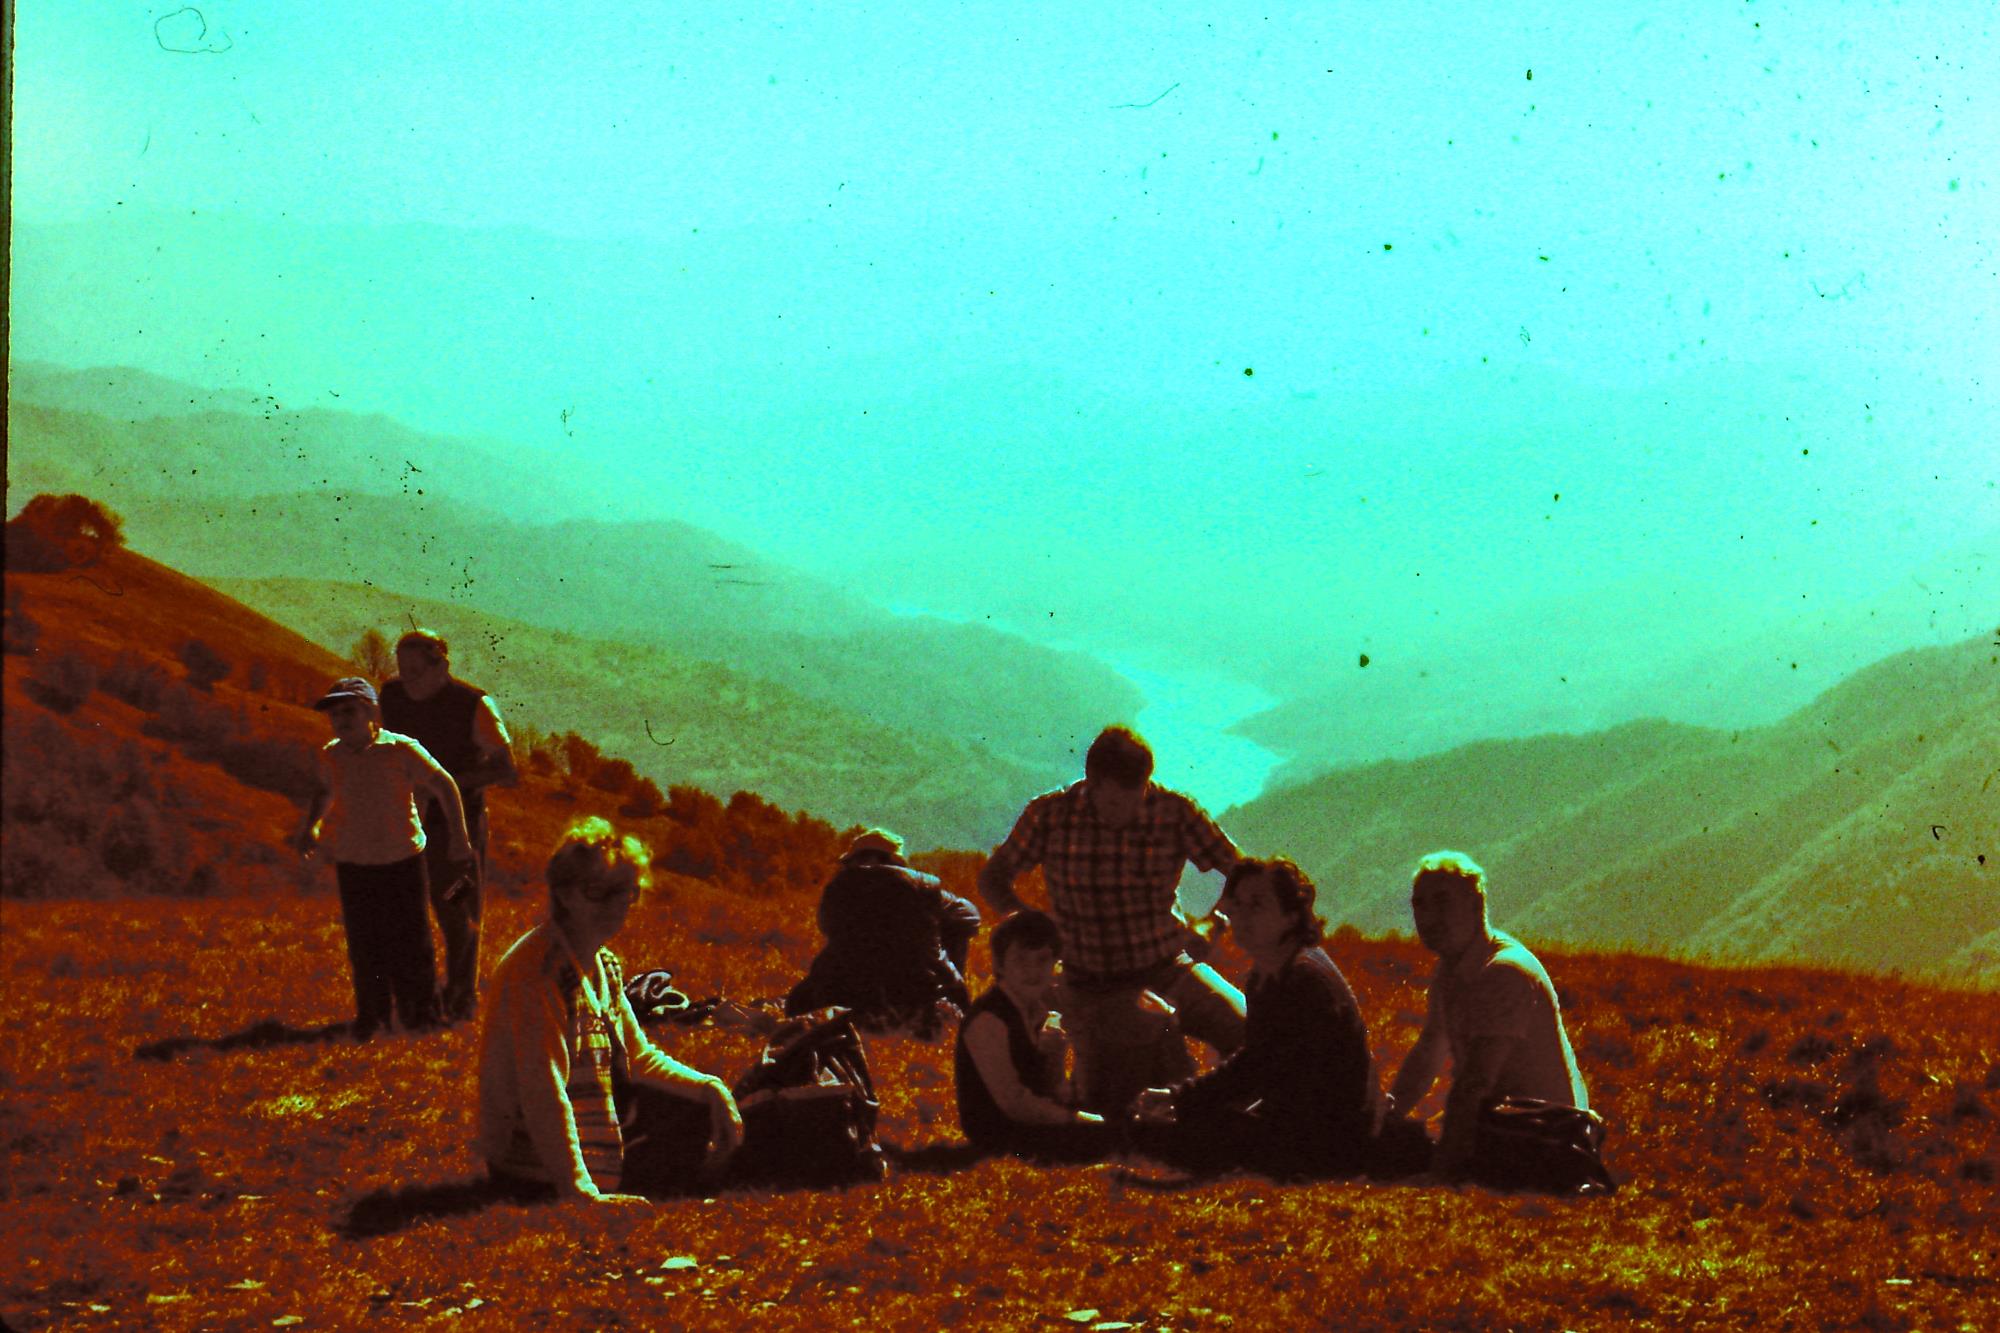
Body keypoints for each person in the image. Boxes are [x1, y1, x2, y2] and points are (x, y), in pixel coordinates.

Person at [978, 726, 1245, 1112]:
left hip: (1168, 966)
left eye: (1140, 796)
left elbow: (1242, 872)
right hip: (1086, 982)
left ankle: (1231, 1120)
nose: (1131, 812)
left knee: (1249, 1029)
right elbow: (993, 878)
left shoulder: (1173, 810)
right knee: (1113, 1102)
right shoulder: (1050, 815)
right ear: (1091, 784)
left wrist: (1213, 921)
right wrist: (1032, 931)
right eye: (1117, 803)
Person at [476, 817, 743, 1203]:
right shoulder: (539, 971)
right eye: (598, 891)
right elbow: (543, 1089)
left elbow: (638, 1058)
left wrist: (710, 1087)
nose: (616, 905)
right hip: (533, 1165)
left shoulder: (603, 964)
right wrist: (578, 1189)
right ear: (564, 894)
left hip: (579, 1139)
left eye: (626, 892)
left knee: (698, 1109)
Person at [1132, 858, 1381, 1178]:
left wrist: (1192, 1104)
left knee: (1176, 1136)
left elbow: (1265, 1071)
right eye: (1238, 905)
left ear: (1291, 915)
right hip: (1307, 1129)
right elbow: (1257, 1062)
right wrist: (1181, 1099)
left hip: (1328, 1142)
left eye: (1257, 905)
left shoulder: (1304, 980)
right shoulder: (1270, 974)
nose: (1242, 916)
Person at [1385, 851, 1600, 1187]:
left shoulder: (1504, 972)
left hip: (1546, 1137)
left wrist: (1441, 1171)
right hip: (1510, 1126)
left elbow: (1476, 1082)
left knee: (1398, 1156)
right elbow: (1429, 1051)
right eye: (1420, 904)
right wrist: (1388, 1118)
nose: (1428, 917)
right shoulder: (1453, 968)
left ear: (1476, 905)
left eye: (1442, 903)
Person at [293, 676, 472, 1039]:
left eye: (349, 712)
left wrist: (459, 836)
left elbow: (444, 784)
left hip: (402, 859)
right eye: (335, 715)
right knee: (365, 944)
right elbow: (325, 790)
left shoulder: (400, 749)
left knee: (412, 941)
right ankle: (373, 1018)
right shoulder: (332, 754)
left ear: (370, 713)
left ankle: (421, 1017)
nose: (341, 721)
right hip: (354, 862)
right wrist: (312, 826)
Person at [378, 628, 518, 1024]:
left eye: (416, 671)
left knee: (457, 908)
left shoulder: (475, 705)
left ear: (441, 666)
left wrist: (445, 784)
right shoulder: (390, 696)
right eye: (402, 670)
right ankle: (412, 995)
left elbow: (507, 769)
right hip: (403, 820)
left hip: (458, 830)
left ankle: (460, 997)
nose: (408, 679)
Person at [953, 910, 1114, 1161]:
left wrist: (1055, 1058)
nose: (1032, 970)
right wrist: (1072, 1119)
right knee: (1107, 1138)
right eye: (1020, 960)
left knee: (1116, 1112)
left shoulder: (1038, 1011)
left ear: (1055, 964)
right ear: (1000, 965)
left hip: (1030, 1120)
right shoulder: (988, 1019)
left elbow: (1047, 1087)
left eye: (1042, 960)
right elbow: (1014, 1102)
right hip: (999, 1131)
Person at [785, 829, 982, 1032]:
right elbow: (969, 914)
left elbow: (825, 926)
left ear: (862, 858)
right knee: (955, 928)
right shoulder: (924, 885)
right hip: (918, 991)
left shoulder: (837, 887)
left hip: (844, 990)